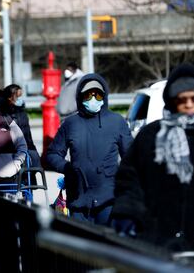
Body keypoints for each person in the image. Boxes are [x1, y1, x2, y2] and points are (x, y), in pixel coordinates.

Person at [111, 63, 194, 252]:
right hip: (154, 243)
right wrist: (129, 216)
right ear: (172, 101)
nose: (189, 104)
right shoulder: (150, 136)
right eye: (182, 99)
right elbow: (129, 182)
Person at [46, 73, 133, 225]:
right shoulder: (70, 124)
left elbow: (131, 157)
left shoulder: (117, 121)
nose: (93, 99)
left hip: (109, 199)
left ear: (104, 97)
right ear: (80, 97)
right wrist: (67, 168)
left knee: (107, 246)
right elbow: (52, 154)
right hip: (78, 200)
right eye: (88, 95)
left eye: (98, 95)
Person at [0, 84, 41, 176]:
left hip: (27, 149)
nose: (20, 99)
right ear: (9, 98)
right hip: (12, 154)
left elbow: (28, 135)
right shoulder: (3, 114)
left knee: (30, 175)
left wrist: (34, 151)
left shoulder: (21, 112)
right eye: (18, 97)